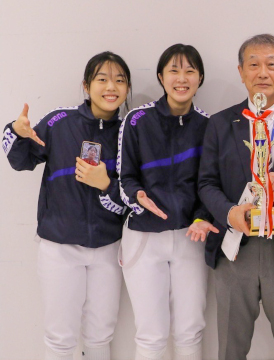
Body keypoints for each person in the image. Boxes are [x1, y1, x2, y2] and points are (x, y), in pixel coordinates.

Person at [198, 33, 274, 360]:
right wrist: (229, 213)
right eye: (254, 65)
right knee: (230, 348)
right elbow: (206, 183)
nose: (263, 73)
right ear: (241, 72)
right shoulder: (220, 123)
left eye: (271, 64)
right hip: (235, 249)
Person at [2, 51, 130, 360]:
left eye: (119, 80)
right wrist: (15, 133)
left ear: (127, 89)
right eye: (102, 79)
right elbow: (21, 162)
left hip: (108, 247)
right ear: (86, 86)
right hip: (59, 246)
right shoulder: (60, 121)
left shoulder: (131, 131)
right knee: (60, 338)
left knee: (101, 335)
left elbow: (130, 197)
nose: (110, 87)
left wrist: (106, 185)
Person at [117, 44, 217, 360]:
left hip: (191, 236)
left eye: (190, 71)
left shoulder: (208, 126)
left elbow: (211, 183)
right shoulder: (136, 120)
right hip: (143, 237)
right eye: (174, 70)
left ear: (200, 78)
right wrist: (137, 197)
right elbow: (124, 177)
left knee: (190, 331)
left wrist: (202, 216)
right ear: (161, 77)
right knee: (150, 335)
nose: (181, 78)